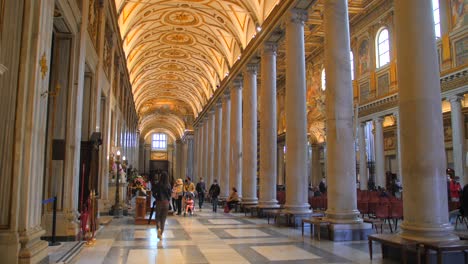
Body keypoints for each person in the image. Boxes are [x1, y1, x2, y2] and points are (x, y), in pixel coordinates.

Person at [152, 172, 171, 239]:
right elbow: (170, 195)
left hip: (159, 202)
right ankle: (161, 234)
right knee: (163, 219)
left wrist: (156, 198)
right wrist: (168, 199)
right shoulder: (168, 185)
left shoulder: (158, 184)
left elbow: (153, 193)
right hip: (166, 203)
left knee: (157, 217)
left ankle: (158, 228)